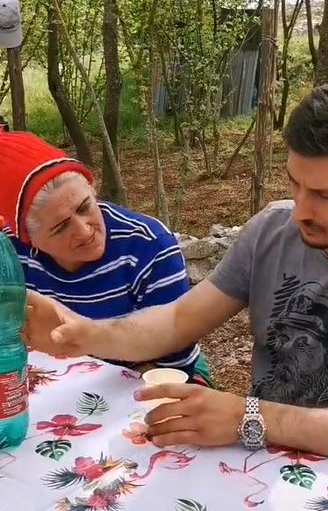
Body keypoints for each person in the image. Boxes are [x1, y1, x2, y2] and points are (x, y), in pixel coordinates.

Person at [24, 79, 328, 471]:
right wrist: (83, 333)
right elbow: (178, 320)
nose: (301, 211)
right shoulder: (272, 229)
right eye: (295, 184)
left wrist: (250, 418)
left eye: (325, 195)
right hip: (257, 463)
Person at [0, 130, 211, 385]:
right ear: (27, 238)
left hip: (150, 375)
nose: (84, 231)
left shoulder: (149, 246)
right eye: (60, 227)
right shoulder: (9, 252)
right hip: (58, 375)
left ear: (93, 191)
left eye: (85, 207)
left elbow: (174, 364)